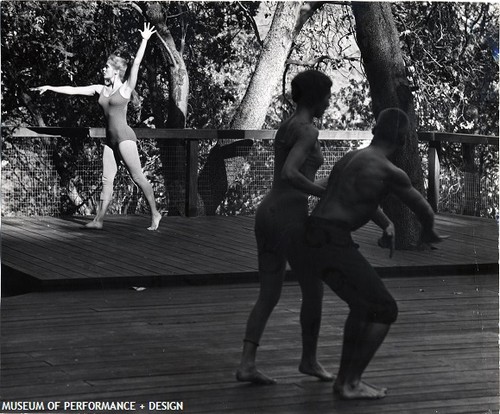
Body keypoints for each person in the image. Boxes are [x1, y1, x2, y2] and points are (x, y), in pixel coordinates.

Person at [288, 107, 446, 399]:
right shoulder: (390, 171)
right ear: (402, 138)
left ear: (375, 130)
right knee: (385, 309)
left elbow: (354, 197)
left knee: (363, 305)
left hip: (310, 235)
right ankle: (349, 383)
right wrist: (429, 231)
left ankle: (345, 382)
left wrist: (386, 223)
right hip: (331, 241)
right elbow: (422, 208)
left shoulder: (352, 158)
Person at [236, 70, 333, 385]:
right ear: (315, 98)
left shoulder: (286, 126)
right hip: (289, 217)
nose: (329, 103)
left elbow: (289, 175)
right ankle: (308, 360)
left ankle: (247, 364)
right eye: (327, 96)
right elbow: (291, 174)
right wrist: (324, 192)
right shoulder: (308, 131)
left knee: (269, 294)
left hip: (267, 213)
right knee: (314, 290)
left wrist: (326, 183)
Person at [32, 23, 162, 231]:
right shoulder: (99, 89)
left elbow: (136, 63)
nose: (103, 69)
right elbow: (73, 90)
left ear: (117, 71)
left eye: (107, 67)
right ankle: (99, 220)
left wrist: (144, 40)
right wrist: (50, 87)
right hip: (110, 140)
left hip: (125, 138)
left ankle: (155, 213)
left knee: (137, 177)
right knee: (106, 179)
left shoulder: (127, 89)